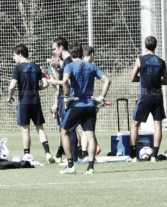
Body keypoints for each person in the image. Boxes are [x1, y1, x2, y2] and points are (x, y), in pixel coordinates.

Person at [60, 43, 111, 174]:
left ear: (71, 55)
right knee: (90, 135)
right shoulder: (91, 66)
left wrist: (66, 95)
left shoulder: (69, 66)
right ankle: (90, 167)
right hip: (90, 105)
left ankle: (70, 165)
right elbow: (107, 80)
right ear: (82, 54)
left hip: (76, 105)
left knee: (64, 132)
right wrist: (101, 97)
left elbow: (65, 81)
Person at [7, 44, 55, 163]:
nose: (14, 58)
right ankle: (48, 152)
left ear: (20, 54)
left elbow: (12, 86)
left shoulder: (18, 68)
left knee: (25, 130)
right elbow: (45, 83)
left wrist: (9, 96)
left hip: (24, 102)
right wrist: (35, 88)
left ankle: (27, 154)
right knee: (40, 128)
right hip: (35, 101)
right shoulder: (36, 66)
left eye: (14, 55)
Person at [129, 36, 167, 162]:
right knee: (158, 126)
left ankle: (133, 156)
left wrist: (143, 78)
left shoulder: (140, 59)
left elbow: (132, 77)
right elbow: (166, 81)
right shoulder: (161, 61)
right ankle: (155, 156)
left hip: (145, 96)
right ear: (155, 46)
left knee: (134, 124)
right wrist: (156, 80)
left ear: (145, 46)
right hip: (157, 96)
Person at [47, 37, 81, 164]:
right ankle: (73, 158)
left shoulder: (67, 61)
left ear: (61, 47)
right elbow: (62, 79)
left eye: (54, 49)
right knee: (66, 128)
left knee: (68, 129)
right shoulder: (66, 62)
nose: (54, 52)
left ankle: (73, 159)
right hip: (64, 96)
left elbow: (66, 82)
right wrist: (54, 69)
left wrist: (53, 81)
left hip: (65, 97)